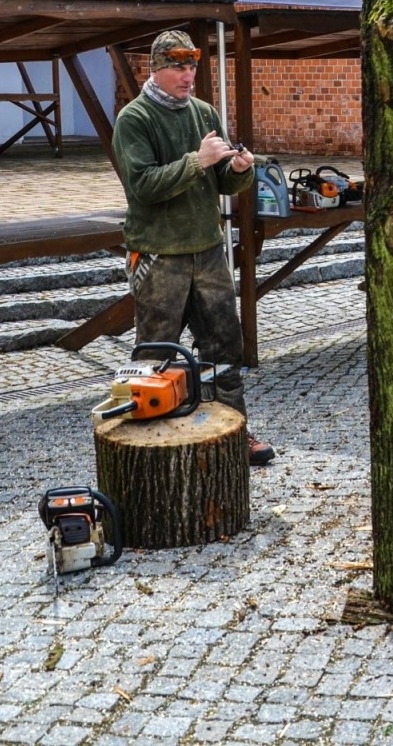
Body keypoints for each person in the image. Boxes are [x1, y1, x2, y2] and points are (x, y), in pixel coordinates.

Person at [111, 31, 275, 466]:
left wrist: (239, 171)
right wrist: (196, 160)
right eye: (178, 68)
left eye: (192, 68)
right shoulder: (135, 118)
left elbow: (221, 181)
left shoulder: (203, 112)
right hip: (158, 254)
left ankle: (233, 434)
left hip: (208, 250)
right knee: (156, 351)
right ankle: (150, 444)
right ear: (156, 69)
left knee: (224, 346)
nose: (188, 76)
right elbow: (142, 186)